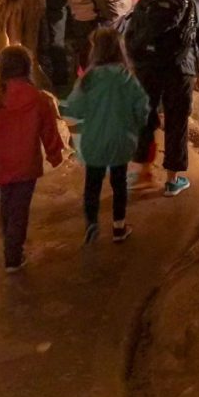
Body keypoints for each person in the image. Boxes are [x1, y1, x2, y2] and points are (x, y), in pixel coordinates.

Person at [126, 0, 199, 197]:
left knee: (146, 117)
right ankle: (173, 180)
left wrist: (136, 58)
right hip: (181, 67)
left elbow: (134, 26)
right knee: (176, 121)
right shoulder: (196, 0)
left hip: (149, 64)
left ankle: (141, 172)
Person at [0, 46, 65, 273]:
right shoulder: (38, 99)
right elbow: (48, 130)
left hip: (0, 163)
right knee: (20, 208)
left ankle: (9, 239)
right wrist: (54, 154)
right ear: (27, 68)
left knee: (7, 203)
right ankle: (13, 255)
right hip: (26, 163)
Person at [62, 28, 149, 244]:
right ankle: (119, 227)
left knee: (93, 184)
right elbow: (142, 107)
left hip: (94, 141)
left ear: (96, 51)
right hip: (121, 140)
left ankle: (91, 224)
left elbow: (73, 108)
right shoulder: (126, 77)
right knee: (120, 184)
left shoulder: (88, 79)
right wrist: (137, 124)